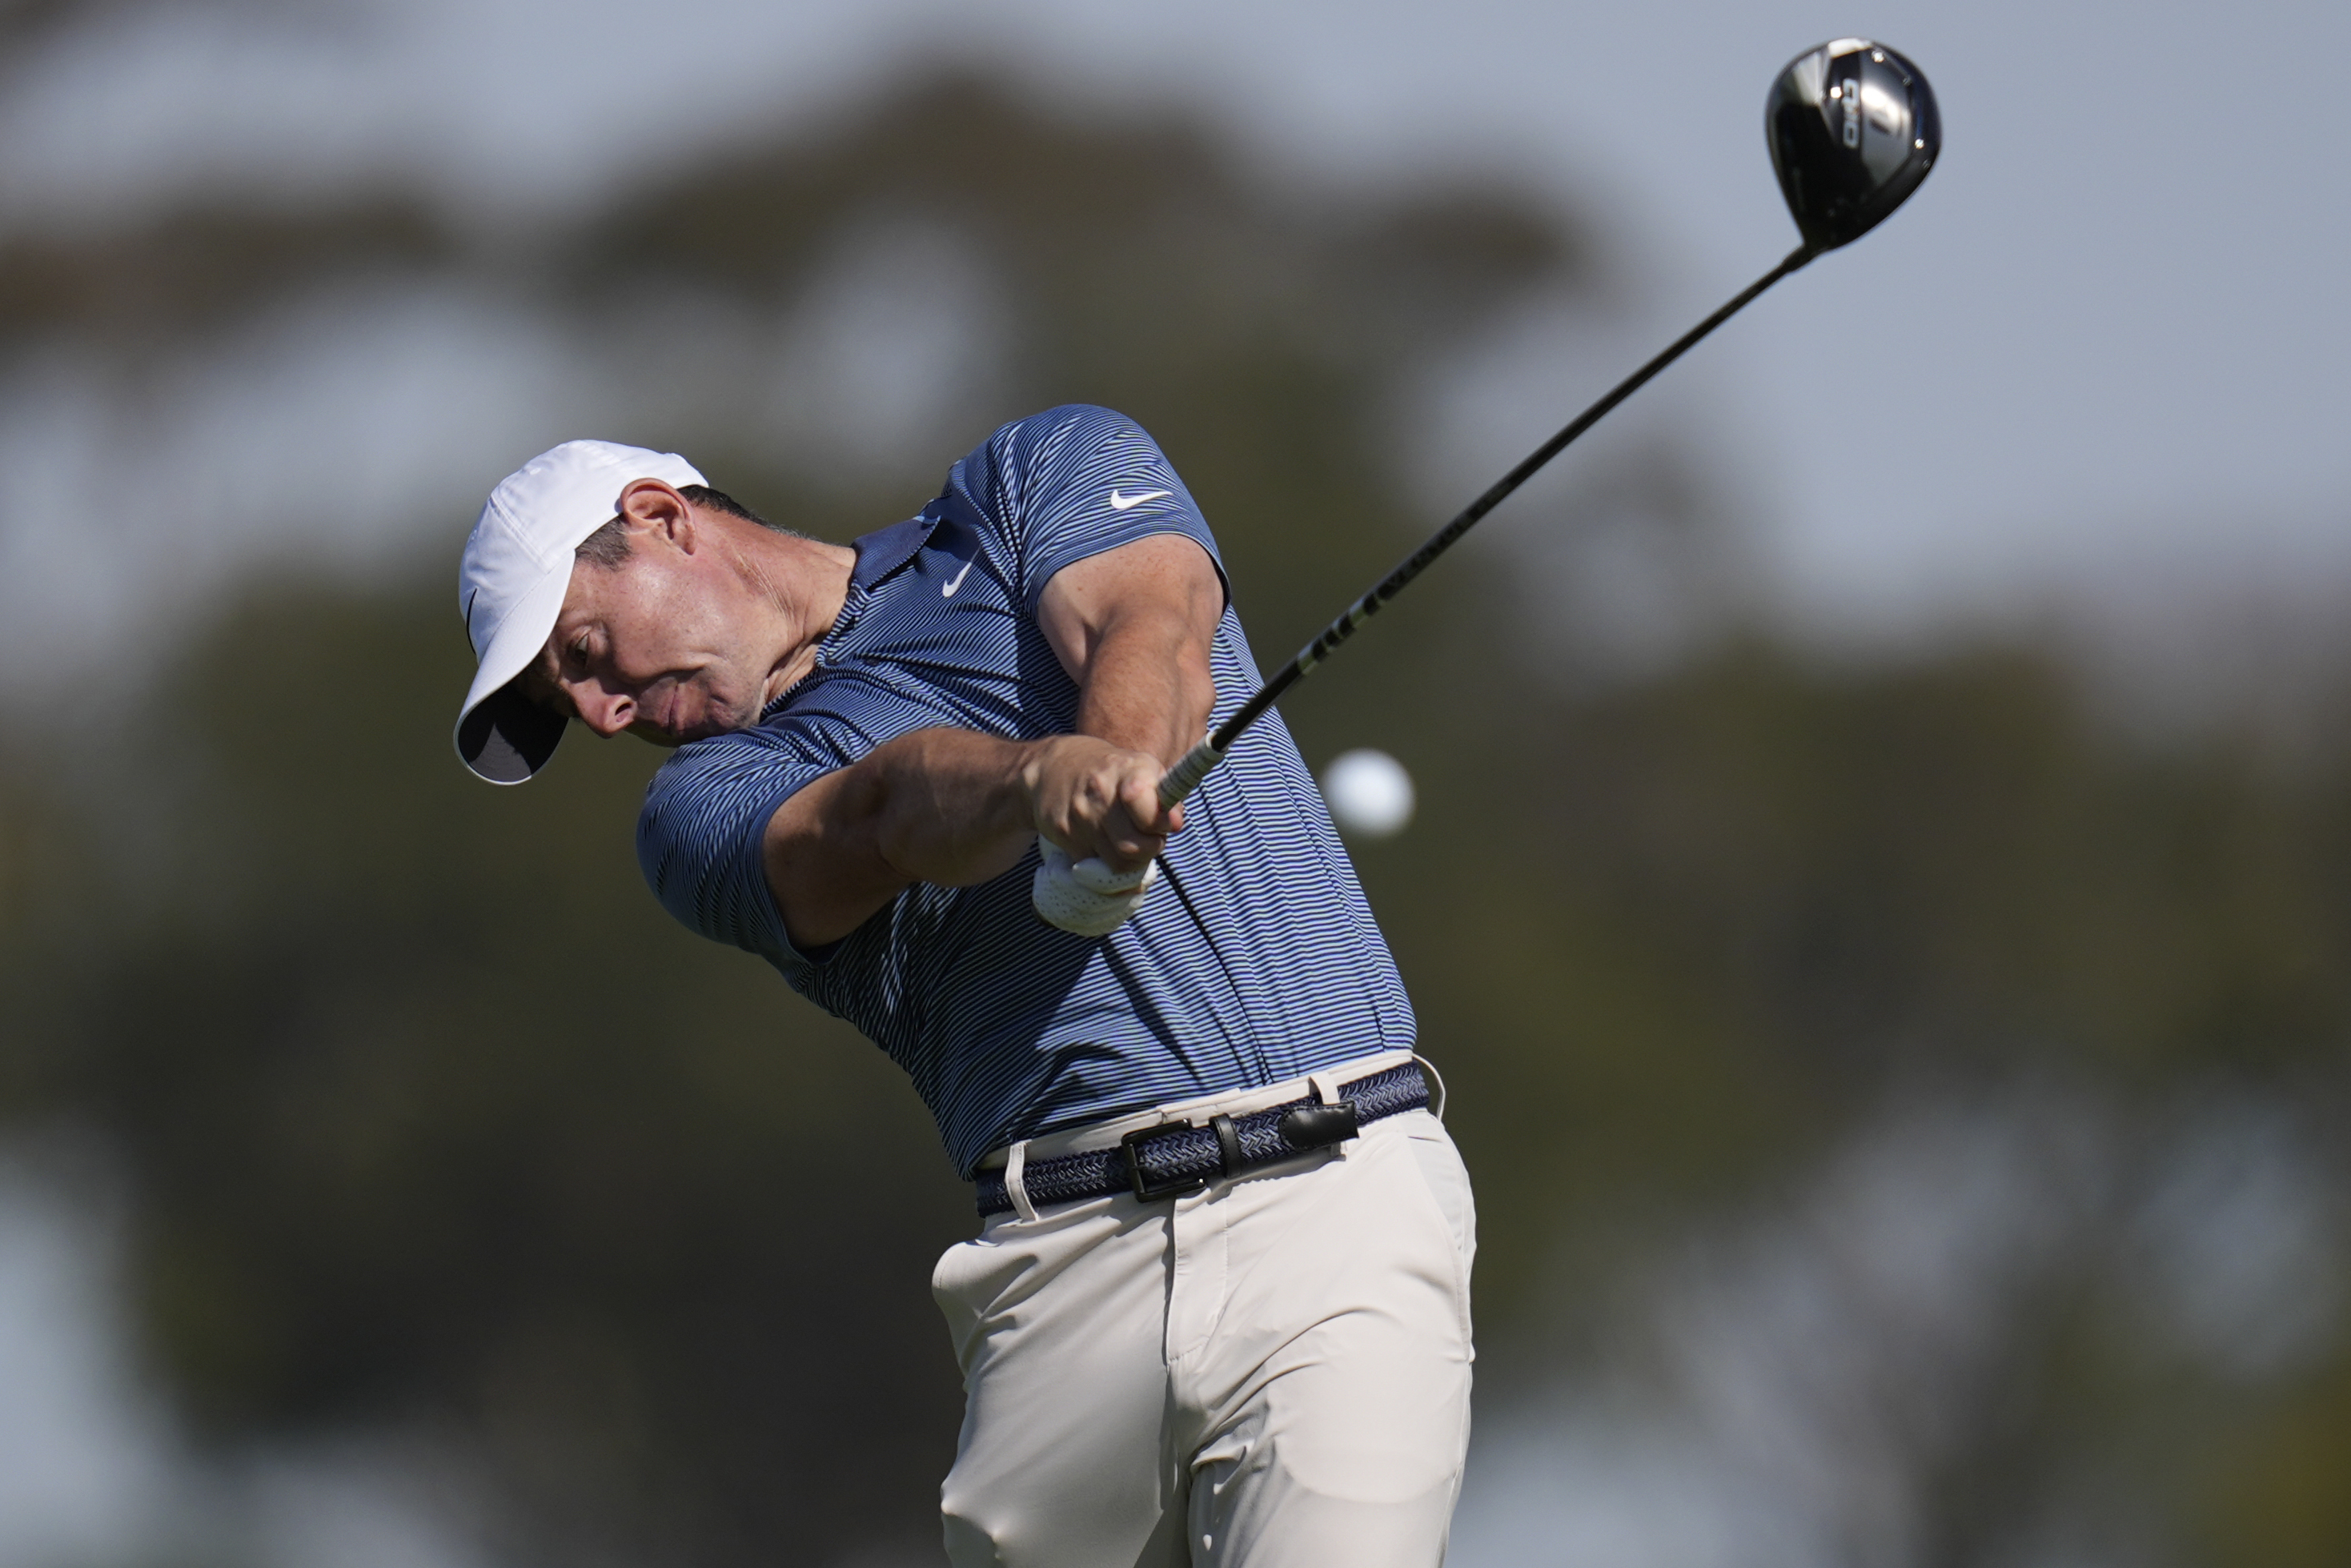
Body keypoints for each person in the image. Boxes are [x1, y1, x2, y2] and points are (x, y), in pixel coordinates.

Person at [450, 405, 1474, 1566]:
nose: (601, 713)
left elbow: (1152, 622)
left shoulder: (1032, 480)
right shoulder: (697, 816)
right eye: (570, 705)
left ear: (659, 519)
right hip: (1063, 1277)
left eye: (584, 655)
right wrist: (1043, 783)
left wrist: (1117, 762)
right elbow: (885, 811)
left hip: (1336, 1201)